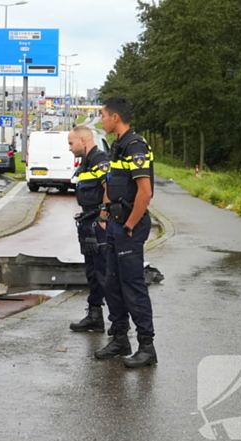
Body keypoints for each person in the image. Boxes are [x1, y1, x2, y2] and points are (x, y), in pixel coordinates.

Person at [94, 96, 157, 368]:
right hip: (116, 225)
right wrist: (106, 216)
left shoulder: (135, 147)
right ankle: (120, 338)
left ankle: (147, 347)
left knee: (132, 286)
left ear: (115, 118)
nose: (100, 120)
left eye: (103, 115)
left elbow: (145, 193)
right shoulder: (117, 146)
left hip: (130, 226)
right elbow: (114, 186)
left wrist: (130, 225)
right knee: (112, 283)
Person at [67, 125, 110, 333]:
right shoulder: (86, 161)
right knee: (93, 273)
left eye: (71, 143)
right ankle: (95, 316)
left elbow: (109, 187)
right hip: (88, 223)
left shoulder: (99, 160)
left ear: (83, 140)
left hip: (97, 224)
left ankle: (118, 324)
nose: (69, 148)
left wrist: (102, 217)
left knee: (103, 273)